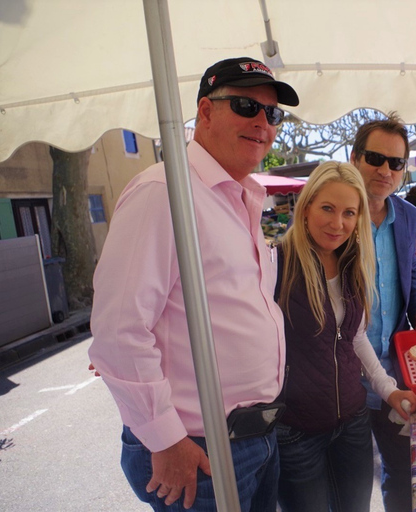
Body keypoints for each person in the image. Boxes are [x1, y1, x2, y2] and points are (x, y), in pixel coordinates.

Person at [88, 57, 299, 512]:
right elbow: (118, 333)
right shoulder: (164, 192)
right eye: (246, 106)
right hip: (198, 449)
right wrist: (164, 440)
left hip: (255, 438)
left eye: (273, 113)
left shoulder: (238, 196)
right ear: (205, 111)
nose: (263, 123)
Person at [273, 161, 416, 512]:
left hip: (353, 424)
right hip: (296, 431)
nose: (337, 223)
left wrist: (389, 390)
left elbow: (355, 337)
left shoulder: (352, 263)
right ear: (306, 207)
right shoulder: (276, 265)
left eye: (349, 213)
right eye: (327, 208)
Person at [350, 114, 416, 512]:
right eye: (375, 158)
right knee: (350, 486)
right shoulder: (333, 216)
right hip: (342, 377)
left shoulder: (410, 216)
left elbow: (411, 270)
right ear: (354, 158)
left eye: (396, 163)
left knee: (402, 470)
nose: (385, 170)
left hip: (393, 371)